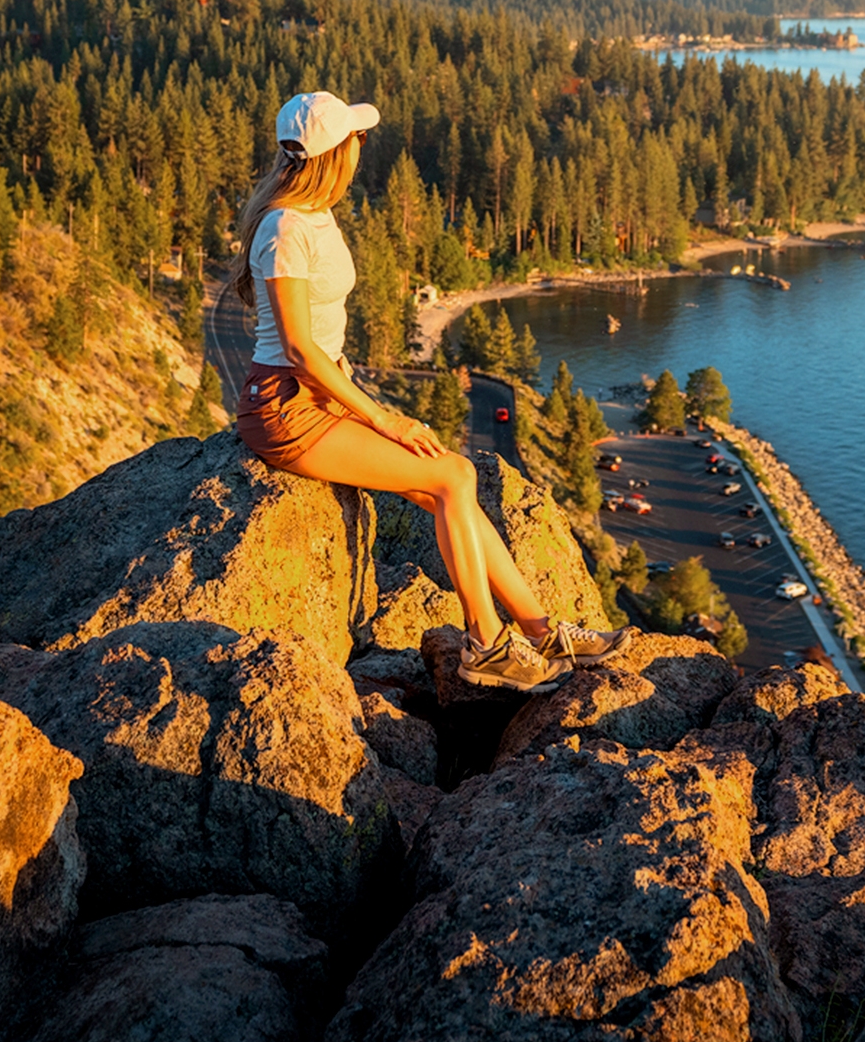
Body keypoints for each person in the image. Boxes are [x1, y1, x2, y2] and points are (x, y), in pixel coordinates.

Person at [230, 90, 628, 692]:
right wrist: (386, 419)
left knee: (447, 483)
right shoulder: (286, 228)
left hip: (319, 398)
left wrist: (362, 405)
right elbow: (299, 351)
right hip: (289, 409)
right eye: (357, 139)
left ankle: (543, 631)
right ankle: (486, 645)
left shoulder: (311, 216)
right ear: (335, 153)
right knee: (454, 478)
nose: (364, 146)